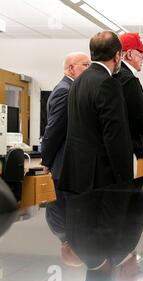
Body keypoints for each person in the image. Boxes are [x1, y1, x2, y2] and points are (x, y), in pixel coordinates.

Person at [58, 31, 133, 194]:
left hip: (76, 175)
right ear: (117, 56)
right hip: (100, 178)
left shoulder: (77, 82)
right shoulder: (108, 83)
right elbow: (115, 135)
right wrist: (125, 178)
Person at [41, 52, 91, 196]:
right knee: (64, 215)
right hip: (64, 167)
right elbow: (54, 130)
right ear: (71, 68)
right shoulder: (66, 91)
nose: (90, 69)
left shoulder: (71, 89)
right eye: (86, 65)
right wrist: (46, 160)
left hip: (68, 167)